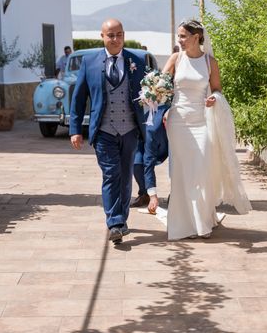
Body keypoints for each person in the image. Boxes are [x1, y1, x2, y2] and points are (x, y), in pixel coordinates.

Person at [149, 19, 250, 240]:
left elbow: (217, 90)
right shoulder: (176, 58)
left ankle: (202, 221)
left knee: (202, 170)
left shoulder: (210, 62)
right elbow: (161, 84)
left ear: (197, 37)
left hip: (202, 121)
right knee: (182, 172)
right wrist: (153, 90)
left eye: (183, 36)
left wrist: (214, 98)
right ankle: (184, 223)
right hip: (178, 122)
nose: (180, 40)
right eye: (179, 36)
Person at [69, 19, 147, 245]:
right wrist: (75, 129)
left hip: (131, 130)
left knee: (125, 178)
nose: (115, 39)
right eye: (110, 35)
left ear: (124, 35)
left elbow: (148, 91)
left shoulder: (138, 60)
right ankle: (114, 222)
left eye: (119, 35)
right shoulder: (89, 61)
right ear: (102, 36)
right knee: (111, 174)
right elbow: (79, 97)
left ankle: (121, 220)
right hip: (103, 131)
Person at [131, 104, 169, 209]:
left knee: (176, 164)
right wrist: (153, 195)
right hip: (147, 140)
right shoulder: (153, 130)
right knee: (137, 164)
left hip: (175, 143)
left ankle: (176, 193)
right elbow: (149, 161)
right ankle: (145, 194)